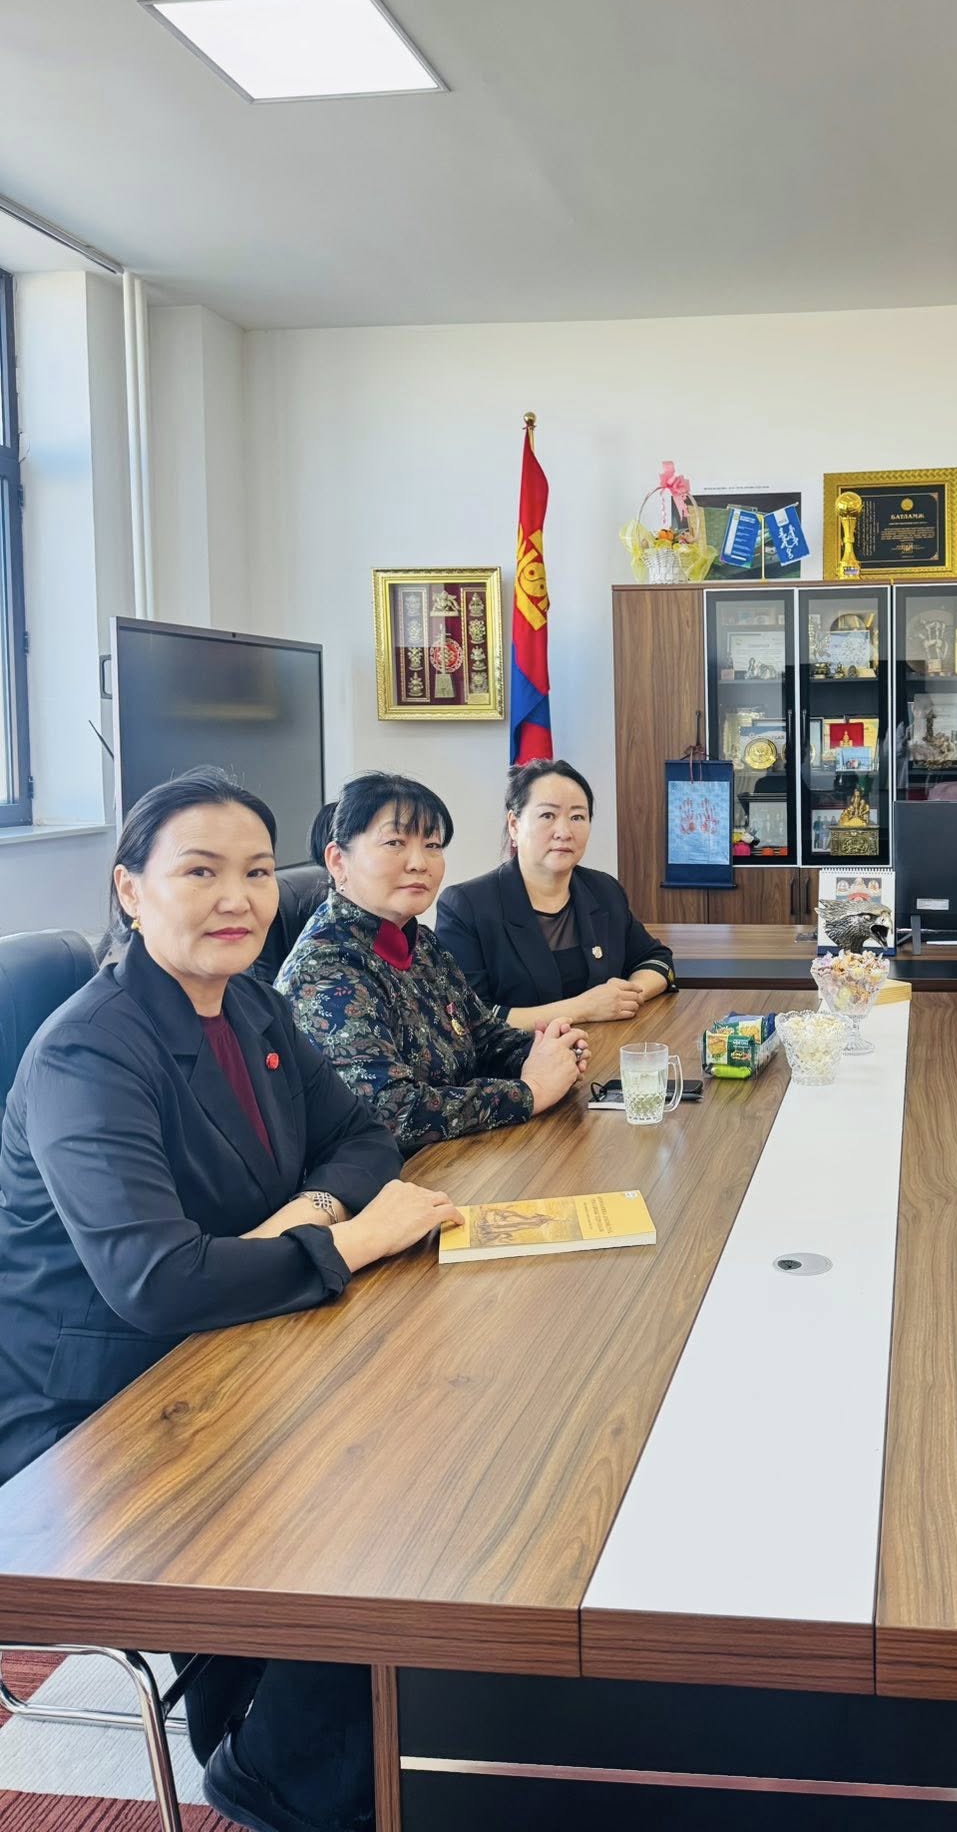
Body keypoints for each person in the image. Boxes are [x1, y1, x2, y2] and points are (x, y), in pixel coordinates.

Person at [0, 768, 463, 1832]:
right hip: (98, 1409)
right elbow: (154, 1281)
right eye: (200, 872)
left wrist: (306, 1211)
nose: (237, 899)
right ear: (130, 889)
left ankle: (358, 1728)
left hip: (226, 1337)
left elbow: (363, 1136)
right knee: (386, 1502)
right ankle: (277, 1768)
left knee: (439, 1435)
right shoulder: (87, 1050)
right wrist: (343, 1238)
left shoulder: (251, 1002)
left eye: (256, 872)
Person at [275, 773, 588, 1152]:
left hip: (459, 1156)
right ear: (338, 861)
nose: (419, 863)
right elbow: (390, 1112)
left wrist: (548, 1050)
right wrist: (531, 1091)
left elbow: (484, 1036)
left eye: (432, 845)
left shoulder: (421, 942)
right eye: (395, 843)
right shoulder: (324, 967)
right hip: (386, 1178)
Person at [436, 760, 674, 1025]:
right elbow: (467, 1018)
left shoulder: (603, 890)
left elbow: (657, 960)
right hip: (521, 1051)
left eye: (577, 817)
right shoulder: (466, 906)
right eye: (547, 815)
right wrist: (583, 1009)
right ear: (514, 825)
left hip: (606, 1045)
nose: (564, 832)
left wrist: (622, 999)